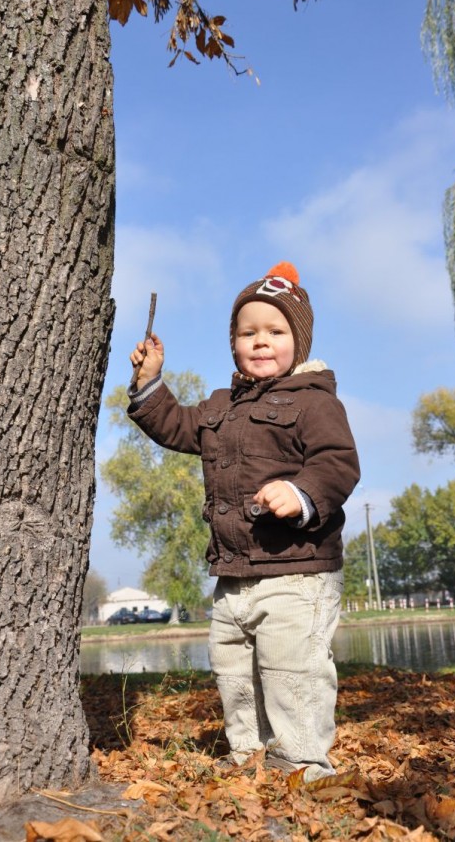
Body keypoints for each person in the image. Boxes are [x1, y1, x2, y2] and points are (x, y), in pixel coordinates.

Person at [128, 262, 360, 782]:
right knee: (233, 669)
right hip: (233, 576)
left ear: (297, 343)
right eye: (247, 332)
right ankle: (248, 758)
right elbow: (178, 427)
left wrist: (301, 493)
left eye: (275, 332)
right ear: (233, 343)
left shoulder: (315, 401)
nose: (260, 342)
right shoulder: (221, 407)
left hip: (297, 572)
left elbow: (337, 462)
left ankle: (301, 766)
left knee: (291, 670)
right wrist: (149, 384)